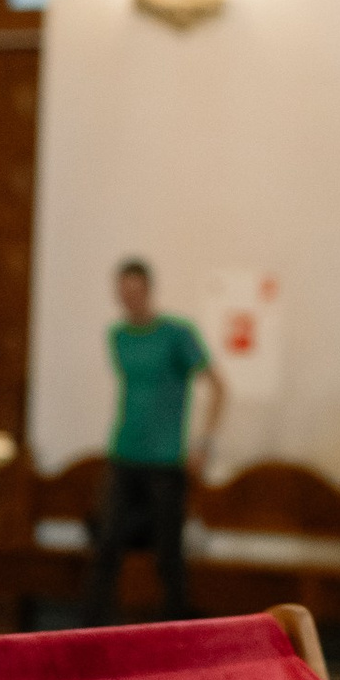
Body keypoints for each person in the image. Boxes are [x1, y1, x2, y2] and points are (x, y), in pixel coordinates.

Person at [89, 259, 222, 617]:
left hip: (166, 460)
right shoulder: (117, 337)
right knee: (107, 543)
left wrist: (203, 444)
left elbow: (217, 387)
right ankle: (96, 627)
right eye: (123, 291)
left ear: (148, 290)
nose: (129, 298)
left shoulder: (178, 335)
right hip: (124, 452)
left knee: (169, 552)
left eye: (136, 290)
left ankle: (175, 628)